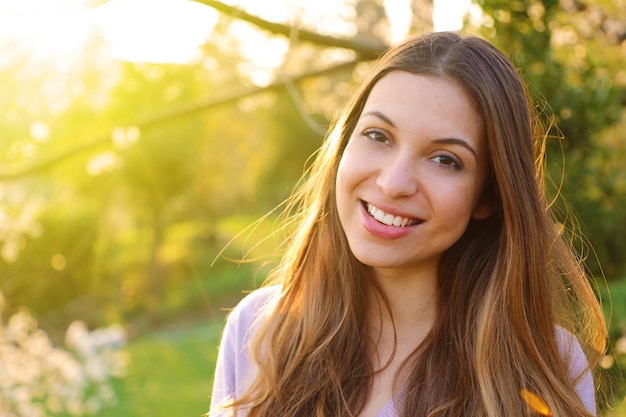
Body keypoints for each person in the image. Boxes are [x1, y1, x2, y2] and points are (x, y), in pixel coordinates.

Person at [209, 31, 607, 417]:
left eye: (445, 160)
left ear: (488, 197)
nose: (392, 183)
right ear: (344, 144)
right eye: (378, 136)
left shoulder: (545, 364)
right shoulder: (259, 331)